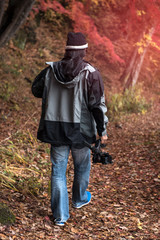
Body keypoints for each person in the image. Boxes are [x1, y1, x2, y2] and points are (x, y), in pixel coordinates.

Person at [32, 32, 108, 226]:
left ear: (67, 49)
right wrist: (103, 129)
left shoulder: (50, 70)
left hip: (55, 128)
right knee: (82, 166)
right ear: (84, 50)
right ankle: (79, 199)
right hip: (80, 132)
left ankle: (60, 216)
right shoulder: (91, 73)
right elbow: (97, 104)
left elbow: (36, 90)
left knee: (58, 171)